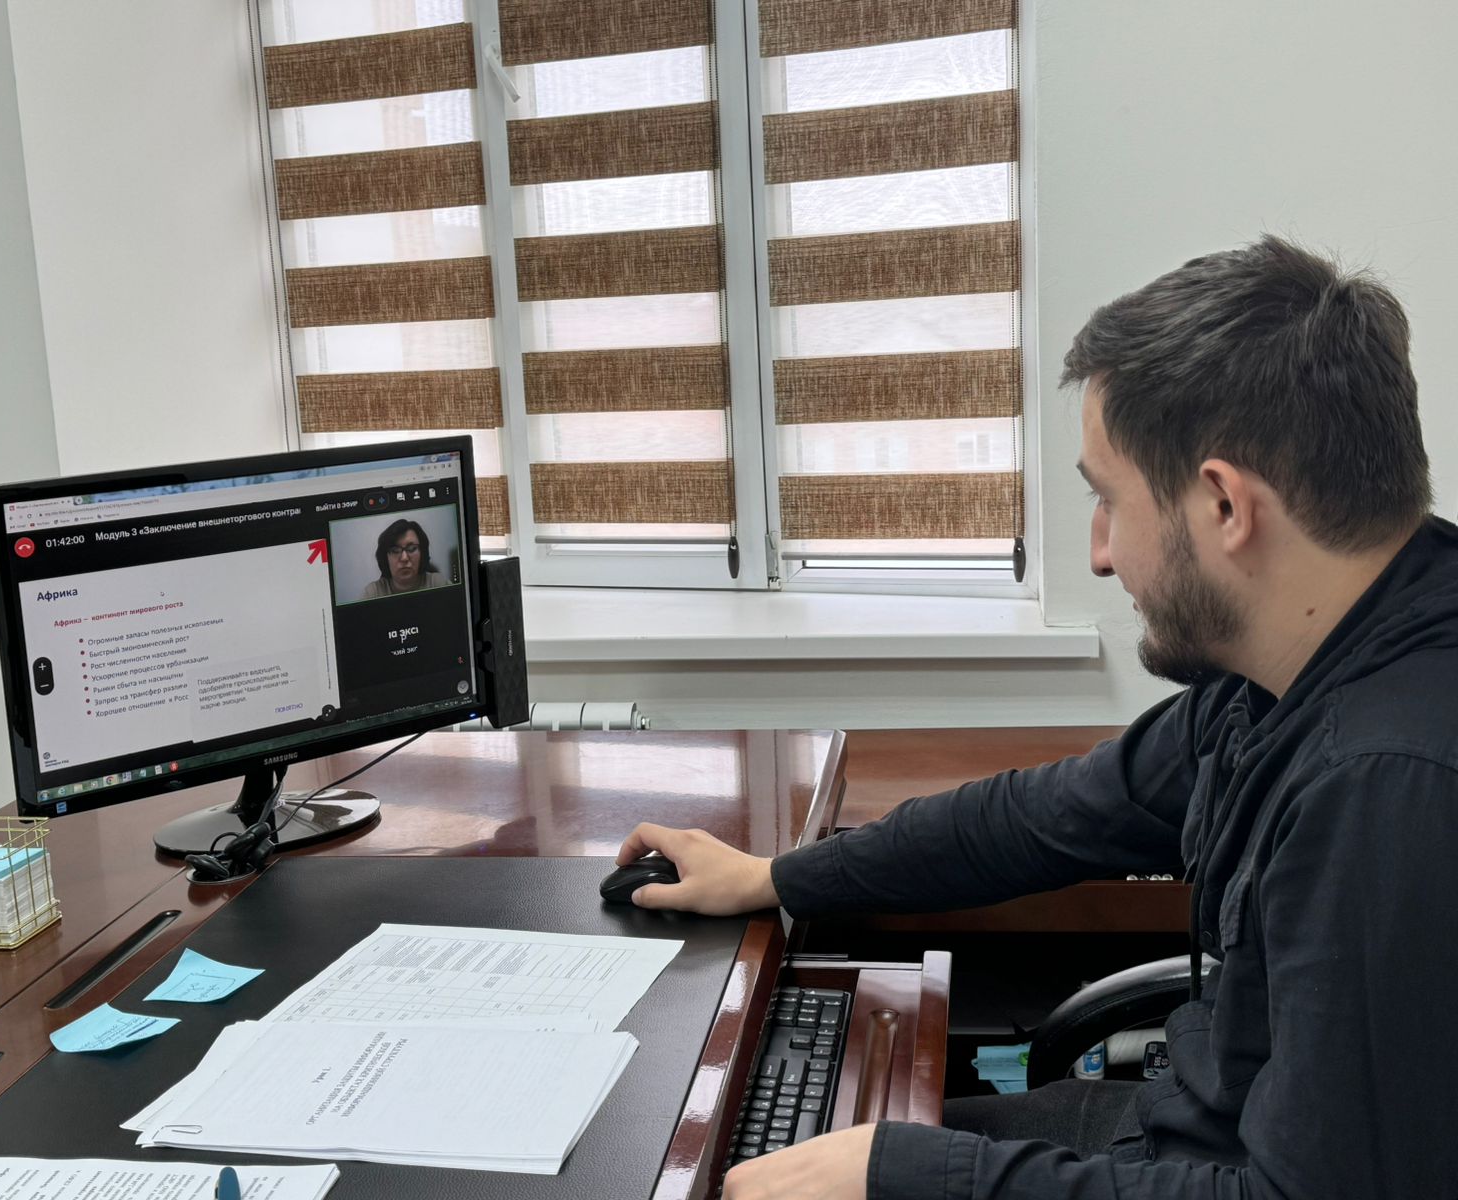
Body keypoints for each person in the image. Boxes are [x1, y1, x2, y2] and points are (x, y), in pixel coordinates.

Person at [618, 236, 1458, 1199]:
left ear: (1225, 504)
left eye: (1108, 500)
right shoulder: (1298, 663)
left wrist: (909, 1177)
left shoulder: (1390, 787)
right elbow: (1048, 815)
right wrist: (778, 876)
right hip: (1179, 1134)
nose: (1101, 554)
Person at [359, 518, 437, 599]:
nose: (404, 558)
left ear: (422, 552)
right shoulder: (373, 592)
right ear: (385, 558)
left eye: (412, 549)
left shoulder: (436, 582)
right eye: (395, 550)